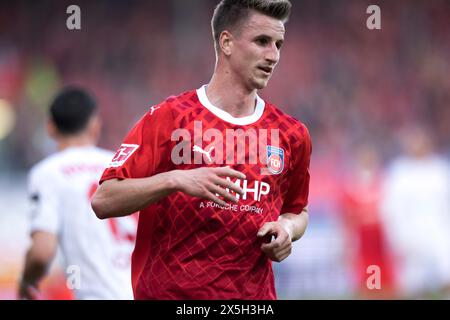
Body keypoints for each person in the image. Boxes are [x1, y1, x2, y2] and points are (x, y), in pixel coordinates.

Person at [92, 0, 311, 300]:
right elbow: (104, 200)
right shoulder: (171, 117)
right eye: (262, 42)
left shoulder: (291, 134)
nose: (273, 55)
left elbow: (297, 211)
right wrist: (176, 180)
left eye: (278, 44)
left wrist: (287, 229)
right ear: (227, 43)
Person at [19, 88, 137, 300]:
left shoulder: (48, 173)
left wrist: (26, 283)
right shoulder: (121, 164)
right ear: (95, 125)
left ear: (50, 127)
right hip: (145, 292)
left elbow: (41, 253)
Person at [380, 125, 450, 298]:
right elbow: (391, 209)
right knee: (415, 284)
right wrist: (397, 238)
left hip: (440, 233)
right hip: (412, 235)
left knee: (446, 275)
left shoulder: (440, 169)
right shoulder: (400, 171)